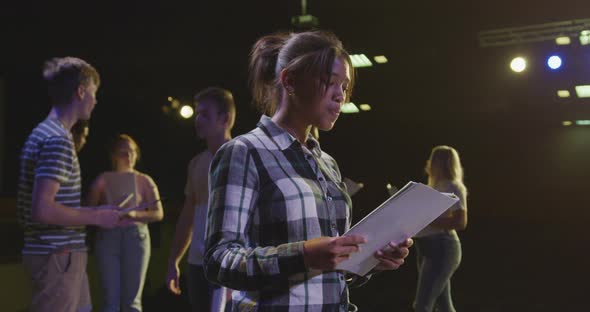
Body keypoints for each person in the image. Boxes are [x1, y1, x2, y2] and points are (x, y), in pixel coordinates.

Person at [203, 30, 412, 311]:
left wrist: (372, 260)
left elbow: (330, 270)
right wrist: (303, 254)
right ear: (290, 81)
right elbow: (219, 261)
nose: (341, 96)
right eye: (330, 82)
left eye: (345, 86)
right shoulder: (244, 153)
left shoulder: (327, 163)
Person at [17, 56, 122, 312]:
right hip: (58, 255)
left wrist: (97, 213)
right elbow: (42, 209)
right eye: (94, 93)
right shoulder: (57, 140)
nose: (95, 100)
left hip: (61, 255)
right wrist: (96, 216)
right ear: (81, 92)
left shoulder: (45, 133)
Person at [166, 87, 235, 311]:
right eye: (197, 113)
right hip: (198, 263)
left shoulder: (240, 157)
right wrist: (174, 261)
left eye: (205, 114)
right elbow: (188, 216)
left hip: (230, 263)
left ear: (225, 119)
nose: (198, 119)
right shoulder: (196, 163)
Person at [87, 134, 164, 312]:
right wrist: (107, 210)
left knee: (133, 301)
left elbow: (158, 213)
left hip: (136, 236)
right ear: (113, 156)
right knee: (110, 300)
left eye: (132, 152)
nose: (128, 157)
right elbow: (89, 208)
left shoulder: (144, 180)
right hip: (108, 236)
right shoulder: (103, 179)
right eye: (123, 153)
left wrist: (134, 213)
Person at [413, 145, 468, 312]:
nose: (430, 163)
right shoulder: (435, 187)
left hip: (442, 247)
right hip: (426, 247)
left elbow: (461, 222)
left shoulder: (452, 186)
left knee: (422, 305)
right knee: (443, 306)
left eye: (434, 160)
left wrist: (427, 220)